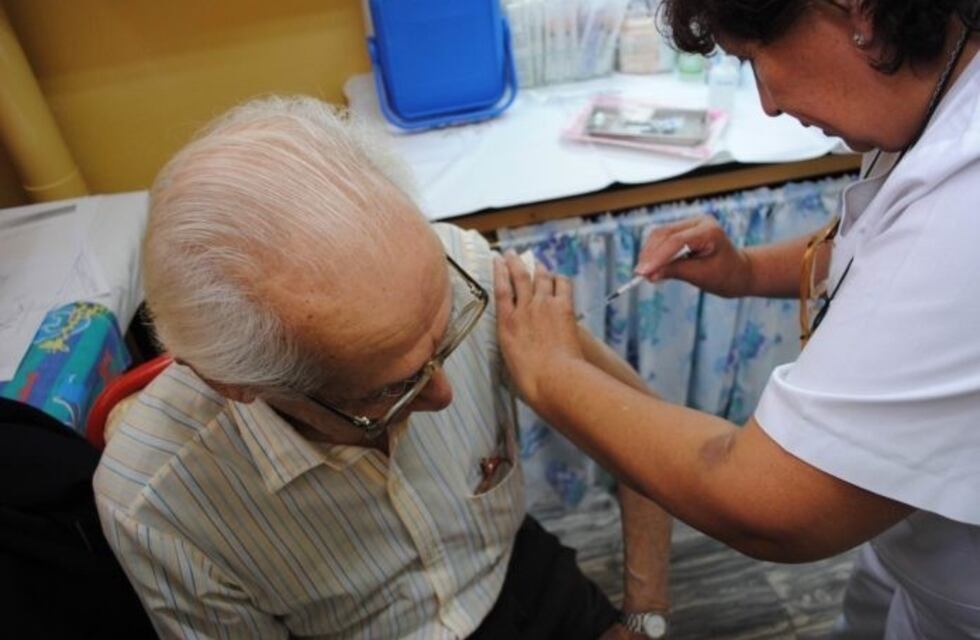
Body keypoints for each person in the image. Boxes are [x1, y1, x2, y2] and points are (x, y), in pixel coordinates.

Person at [93, 96, 674, 639]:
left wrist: (643, 618)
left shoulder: (467, 269)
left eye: (449, 332)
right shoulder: (157, 505)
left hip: (520, 572)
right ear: (240, 385)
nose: (446, 395)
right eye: (394, 389)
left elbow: (646, 433)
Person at [494, 0, 980, 637]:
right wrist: (747, 270)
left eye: (755, 59)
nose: (769, 103)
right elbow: (881, 249)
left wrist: (552, 375)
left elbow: (769, 503)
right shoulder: (940, 99)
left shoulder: (964, 206)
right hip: (918, 553)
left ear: (856, 11)